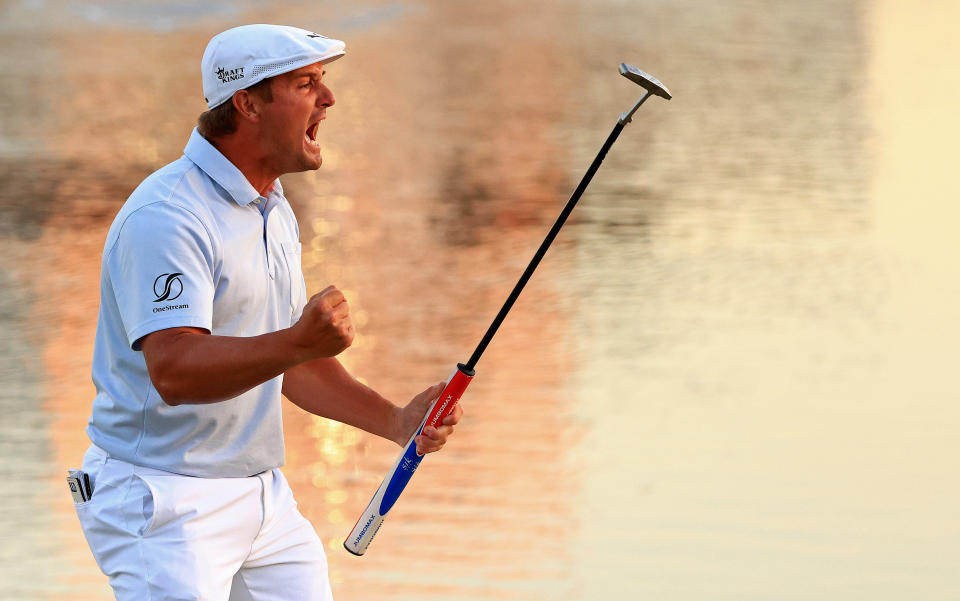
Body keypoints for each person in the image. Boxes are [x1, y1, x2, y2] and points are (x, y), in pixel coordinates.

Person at [72, 24, 462, 601]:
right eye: (306, 84)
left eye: (323, 82)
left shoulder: (272, 209)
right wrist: (297, 343)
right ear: (247, 104)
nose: (328, 100)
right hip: (163, 500)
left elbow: (289, 365)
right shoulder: (168, 216)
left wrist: (397, 422)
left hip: (261, 498)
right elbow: (174, 371)